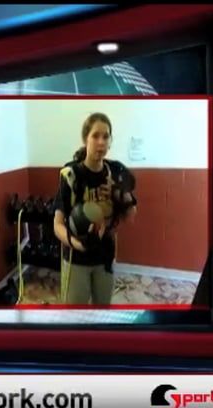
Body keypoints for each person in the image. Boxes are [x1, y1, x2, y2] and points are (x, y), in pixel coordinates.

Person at [52, 112, 137, 305]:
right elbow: (57, 225)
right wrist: (77, 244)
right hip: (76, 260)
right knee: (75, 316)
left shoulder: (115, 172)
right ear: (85, 139)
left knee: (102, 311)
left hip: (104, 258)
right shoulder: (71, 175)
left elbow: (132, 215)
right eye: (95, 136)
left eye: (106, 137)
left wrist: (118, 193)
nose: (101, 142)